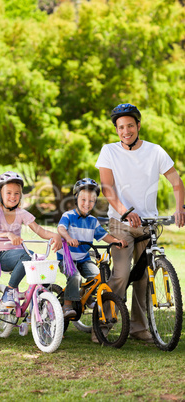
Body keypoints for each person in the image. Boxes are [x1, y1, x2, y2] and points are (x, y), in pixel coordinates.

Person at [95, 103, 185, 342]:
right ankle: (103, 324)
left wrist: (179, 209)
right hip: (120, 224)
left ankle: (138, 327)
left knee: (145, 278)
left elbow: (176, 181)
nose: (126, 131)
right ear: (116, 130)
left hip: (148, 225)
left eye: (130, 125)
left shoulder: (155, 151)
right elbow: (107, 188)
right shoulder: (109, 151)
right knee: (122, 274)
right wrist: (125, 212)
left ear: (138, 126)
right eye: (121, 127)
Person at [0, 171, 62, 309]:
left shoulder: (21, 213)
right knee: (28, 255)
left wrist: (55, 236)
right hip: (2, 256)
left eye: (16, 193)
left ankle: (38, 304)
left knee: (39, 262)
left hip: (21, 254)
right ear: (0, 194)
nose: (13, 196)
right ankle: (9, 291)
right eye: (8, 193)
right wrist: (8, 234)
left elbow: (40, 231)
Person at [56, 178, 127, 319]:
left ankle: (87, 296)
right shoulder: (68, 216)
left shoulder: (93, 221)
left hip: (84, 258)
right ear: (76, 198)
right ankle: (67, 305)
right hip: (67, 258)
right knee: (74, 276)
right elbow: (61, 228)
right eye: (83, 200)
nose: (87, 204)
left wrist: (116, 241)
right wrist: (69, 238)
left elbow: (104, 235)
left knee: (98, 276)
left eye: (91, 201)